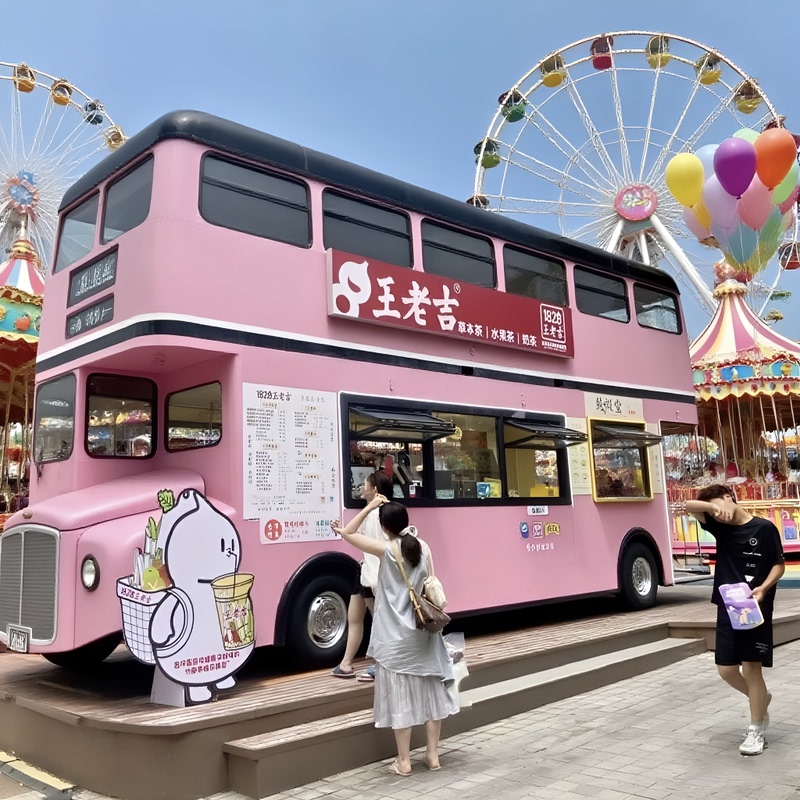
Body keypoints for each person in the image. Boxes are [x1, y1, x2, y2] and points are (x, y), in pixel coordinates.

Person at [333, 496, 458, 775]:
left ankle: (404, 761)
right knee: (432, 694)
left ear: (383, 526)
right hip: (425, 635)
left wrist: (368, 507)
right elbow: (431, 585)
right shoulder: (422, 546)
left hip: (395, 639)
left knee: (402, 698)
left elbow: (349, 533)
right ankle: (433, 756)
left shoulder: (387, 550)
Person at [680, 484, 785, 756]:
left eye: (720, 504)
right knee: (726, 669)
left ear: (730, 497)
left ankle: (757, 729)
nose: (718, 514)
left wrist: (764, 588)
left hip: (756, 607)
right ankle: (760, 699)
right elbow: (689, 507)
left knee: (752, 670)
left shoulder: (763, 529)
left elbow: (778, 564)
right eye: (712, 511)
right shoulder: (720, 527)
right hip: (728, 606)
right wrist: (712, 508)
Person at [331, 470, 393, 680]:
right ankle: (346, 664)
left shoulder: (375, 512)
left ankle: (380, 664)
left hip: (373, 574)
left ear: (374, 489)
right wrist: (342, 531)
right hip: (367, 571)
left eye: (365, 484)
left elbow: (362, 537)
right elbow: (359, 536)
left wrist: (346, 530)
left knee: (374, 620)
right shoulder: (382, 512)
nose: (362, 487)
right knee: (357, 617)